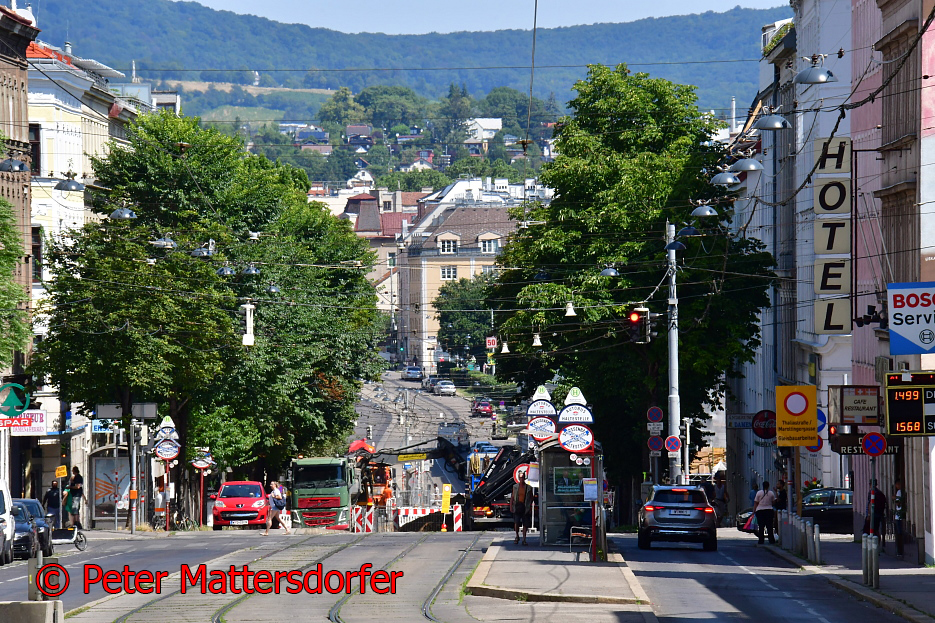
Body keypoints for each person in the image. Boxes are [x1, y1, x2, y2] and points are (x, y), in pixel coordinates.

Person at [511, 470, 533, 545]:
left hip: (525, 507)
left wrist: (530, 506)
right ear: (518, 478)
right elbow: (512, 497)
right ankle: (517, 536)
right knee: (516, 522)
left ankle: (524, 539)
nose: (521, 479)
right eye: (520, 477)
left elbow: (531, 498)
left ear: (524, 478)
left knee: (525, 524)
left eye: (523, 477)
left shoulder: (529, 488)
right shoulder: (515, 487)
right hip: (517, 507)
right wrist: (511, 506)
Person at [893, 479, 905, 557]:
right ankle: (900, 551)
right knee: (900, 533)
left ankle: (900, 551)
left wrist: (894, 498)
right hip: (899, 515)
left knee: (899, 533)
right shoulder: (901, 492)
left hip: (899, 516)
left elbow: (898, 503)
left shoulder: (899, 492)